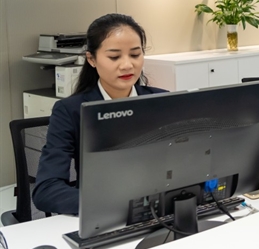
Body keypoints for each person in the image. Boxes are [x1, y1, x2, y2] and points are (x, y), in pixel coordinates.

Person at [33, 14, 166, 215]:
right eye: (114, 57)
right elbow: (47, 189)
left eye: (135, 54)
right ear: (92, 59)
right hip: (104, 215)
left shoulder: (162, 101)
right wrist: (109, 205)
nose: (127, 65)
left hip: (161, 210)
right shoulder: (70, 111)